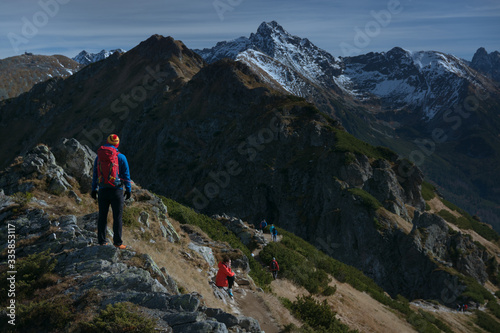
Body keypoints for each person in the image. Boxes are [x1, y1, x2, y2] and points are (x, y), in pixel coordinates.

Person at [91, 134, 131, 249]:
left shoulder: (99, 157)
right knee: (117, 217)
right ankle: (118, 243)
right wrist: (128, 189)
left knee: (102, 216)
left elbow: (95, 174)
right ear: (117, 144)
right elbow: (126, 175)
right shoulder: (121, 157)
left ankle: (102, 241)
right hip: (116, 190)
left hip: (102, 190)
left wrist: (94, 189)